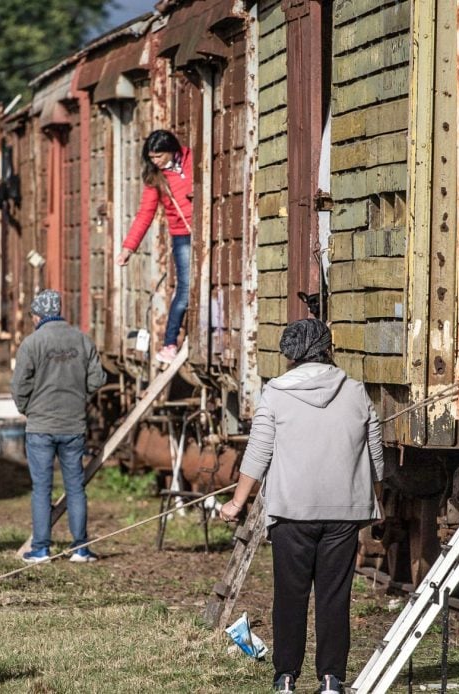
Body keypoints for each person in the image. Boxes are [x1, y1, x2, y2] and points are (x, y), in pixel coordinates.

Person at [218, 318, 384, 694]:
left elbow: (259, 452)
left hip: (292, 512)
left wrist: (236, 502)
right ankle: (330, 679)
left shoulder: (276, 393)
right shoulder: (356, 391)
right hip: (344, 512)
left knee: (290, 597)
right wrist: (377, 498)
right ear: (328, 350)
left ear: (290, 355)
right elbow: (374, 449)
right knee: (334, 597)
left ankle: (286, 678)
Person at [11, 289, 106, 564]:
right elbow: (97, 379)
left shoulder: (32, 344)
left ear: (37, 315)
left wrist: (26, 408)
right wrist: (80, 394)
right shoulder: (82, 340)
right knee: (75, 487)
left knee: (42, 488)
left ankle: (41, 549)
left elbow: (19, 386)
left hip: (40, 425)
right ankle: (80, 548)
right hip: (73, 424)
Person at [115, 129, 193, 364]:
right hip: (182, 235)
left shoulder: (194, 160)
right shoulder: (155, 179)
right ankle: (169, 343)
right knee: (186, 289)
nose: (155, 161)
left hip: (207, 231)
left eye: (159, 156)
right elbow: (144, 214)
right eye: (151, 157)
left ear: (172, 150)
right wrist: (129, 248)